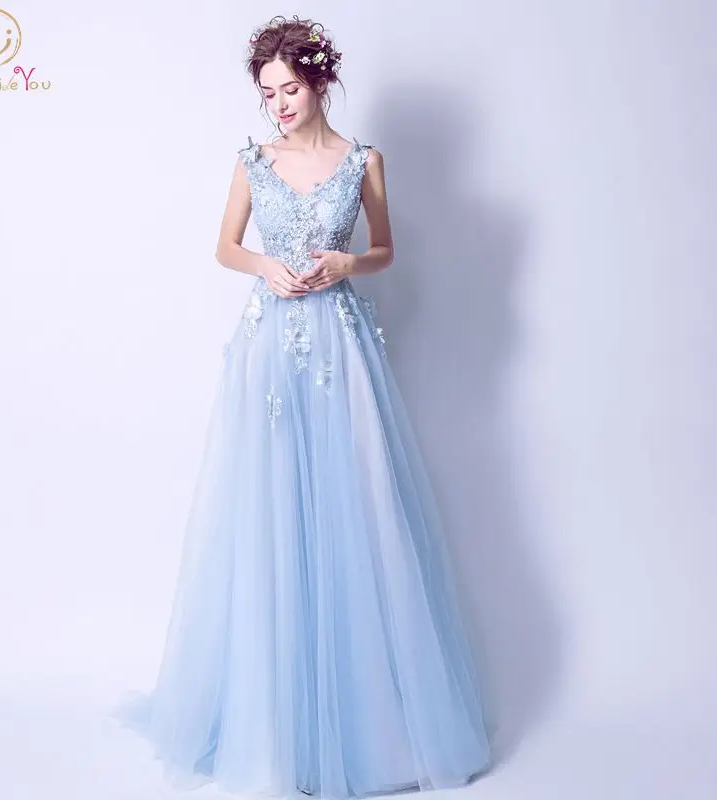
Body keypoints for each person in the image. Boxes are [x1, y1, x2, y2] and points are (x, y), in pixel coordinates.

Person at [109, 14, 493, 800]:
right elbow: (225, 245)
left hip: (341, 352)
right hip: (269, 357)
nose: (278, 104)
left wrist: (350, 262)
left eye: (288, 88)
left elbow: (385, 249)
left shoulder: (363, 161)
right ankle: (271, 723)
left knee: (359, 512)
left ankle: (362, 727)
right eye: (267, 93)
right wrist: (264, 267)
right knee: (270, 516)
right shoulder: (253, 160)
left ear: (320, 81)